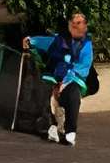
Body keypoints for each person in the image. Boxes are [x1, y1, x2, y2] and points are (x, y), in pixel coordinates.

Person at [26, 11, 93, 146]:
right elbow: (44, 42)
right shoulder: (60, 39)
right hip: (54, 77)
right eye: (73, 23)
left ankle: (70, 131)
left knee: (73, 94)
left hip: (73, 80)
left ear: (85, 27)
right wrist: (30, 40)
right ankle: (52, 126)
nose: (75, 26)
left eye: (79, 23)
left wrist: (65, 81)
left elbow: (82, 68)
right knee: (44, 91)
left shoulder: (86, 46)